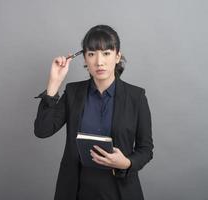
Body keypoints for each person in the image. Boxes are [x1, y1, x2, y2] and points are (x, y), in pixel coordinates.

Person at [34, 25, 154, 200]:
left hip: (120, 191)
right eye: (91, 54)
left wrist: (126, 163)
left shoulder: (136, 96)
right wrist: (54, 83)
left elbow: (146, 149)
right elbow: (42, 130)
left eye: (106, 53)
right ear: (84, 59)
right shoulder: (73, 92)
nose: (99, 62)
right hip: (76, 191)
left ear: (117, 56)